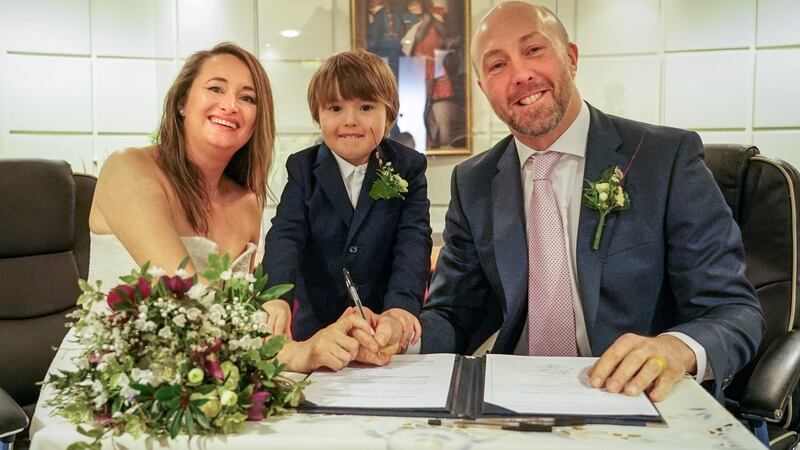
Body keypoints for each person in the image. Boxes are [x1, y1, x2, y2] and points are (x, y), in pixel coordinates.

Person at [420, 2, 764, 402]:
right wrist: (399, 336)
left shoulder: (665, 159)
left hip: (636, 396)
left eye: (534, 50)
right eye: (497, 65)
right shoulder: (474, 181)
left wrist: (676, 348)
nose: (521, 75)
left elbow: (735, 311)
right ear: (482, 88)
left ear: (570, 57)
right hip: (514, 400)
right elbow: (454, 315)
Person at [38, 42, 380, 391]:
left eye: (247, 98)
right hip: (111, 380)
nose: (230, 105)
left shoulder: (248, 203)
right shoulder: (128, 169)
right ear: (183, 102)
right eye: (216, 88)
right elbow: (186, 298)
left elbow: (239, 323)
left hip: (210, 380)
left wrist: (317, 344)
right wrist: (296, 353)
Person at [263, 49, 432, 357]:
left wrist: (401, 308)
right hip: (317, 328)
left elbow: (413, 239)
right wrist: (277, 296)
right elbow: (286, 235)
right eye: (336, 108)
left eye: (366, 107)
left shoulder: (408, 167)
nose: (350, 121)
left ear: (390, 114)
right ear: (318, 115)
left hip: (382, 326)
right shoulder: (302, 169)